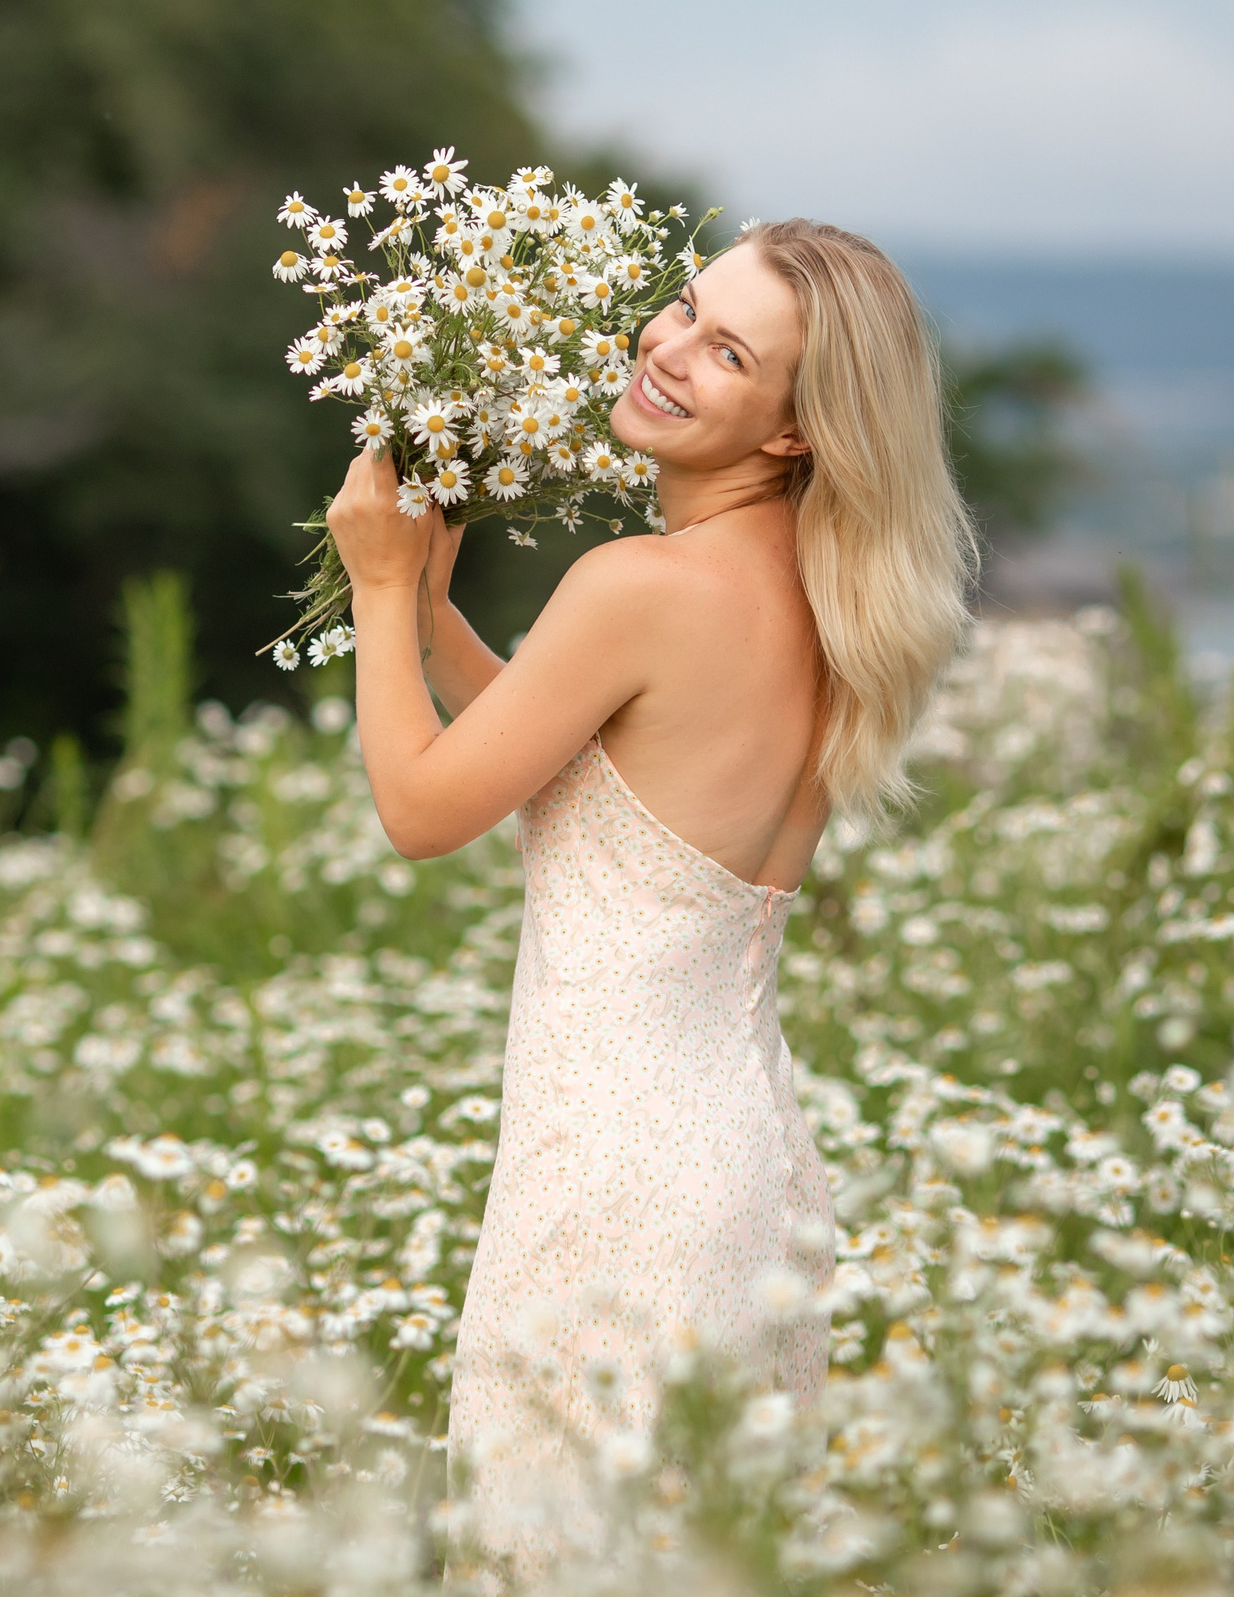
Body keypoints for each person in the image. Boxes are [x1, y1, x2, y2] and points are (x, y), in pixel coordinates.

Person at [323, 219, 976, 1575]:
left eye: (728, 353)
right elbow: (582, 782)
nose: (667, 348)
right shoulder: (817, 593)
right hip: (739, 1168)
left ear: (794, 431)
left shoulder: (639, 586)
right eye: (683, 308)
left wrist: (381, 592)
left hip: (616, 1176)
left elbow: (425, 809)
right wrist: (438, 609)